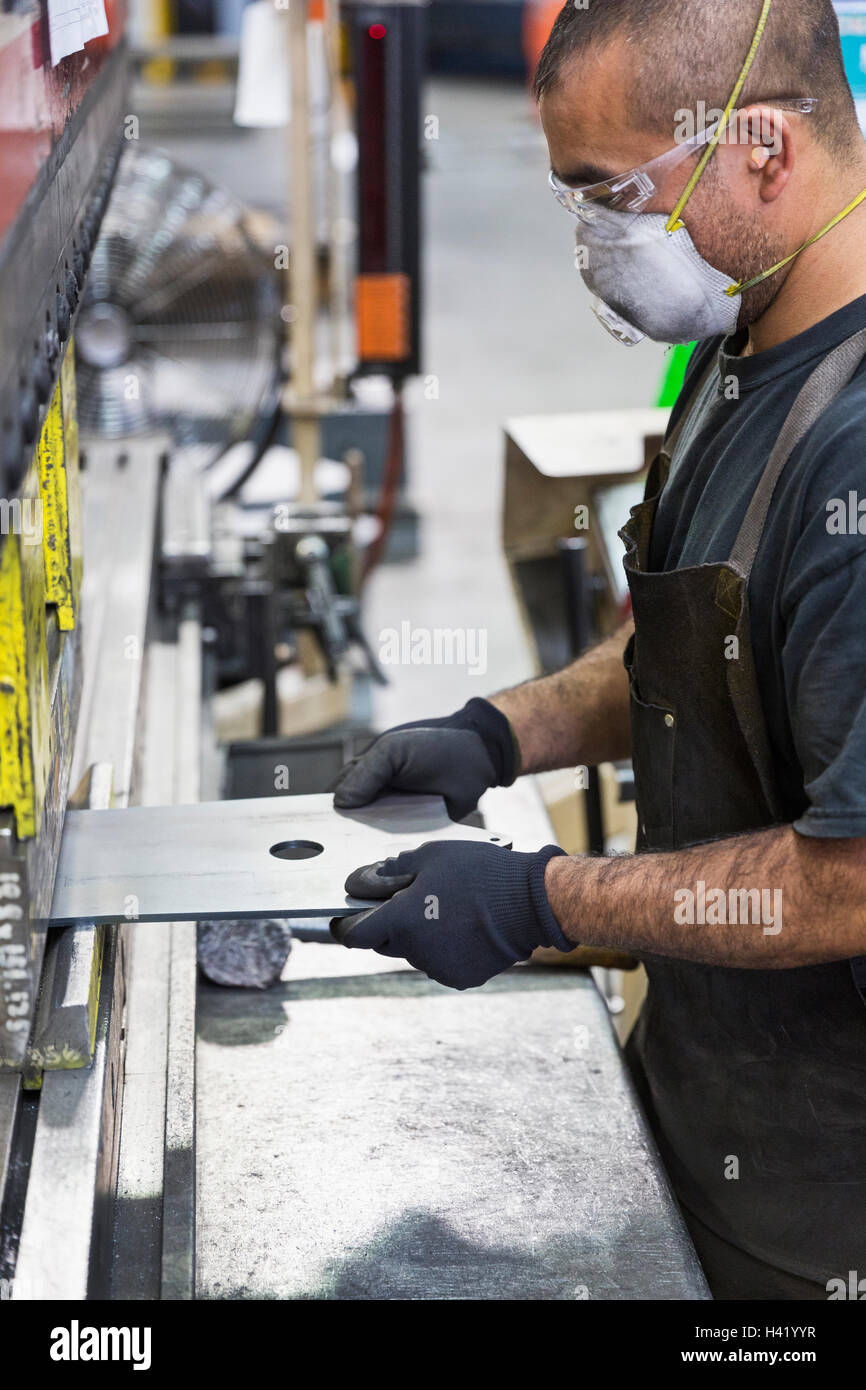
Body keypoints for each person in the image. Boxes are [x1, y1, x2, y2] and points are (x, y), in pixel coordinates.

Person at [332, 0, 866, 1300]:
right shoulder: (743, 339)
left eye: (612, 193)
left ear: (756, 146)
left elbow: (848, 881)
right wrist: (502, 729)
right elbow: (706, 650)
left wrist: (544, 897)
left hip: (823, 1218)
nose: (595, 243)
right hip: (711, 1107)